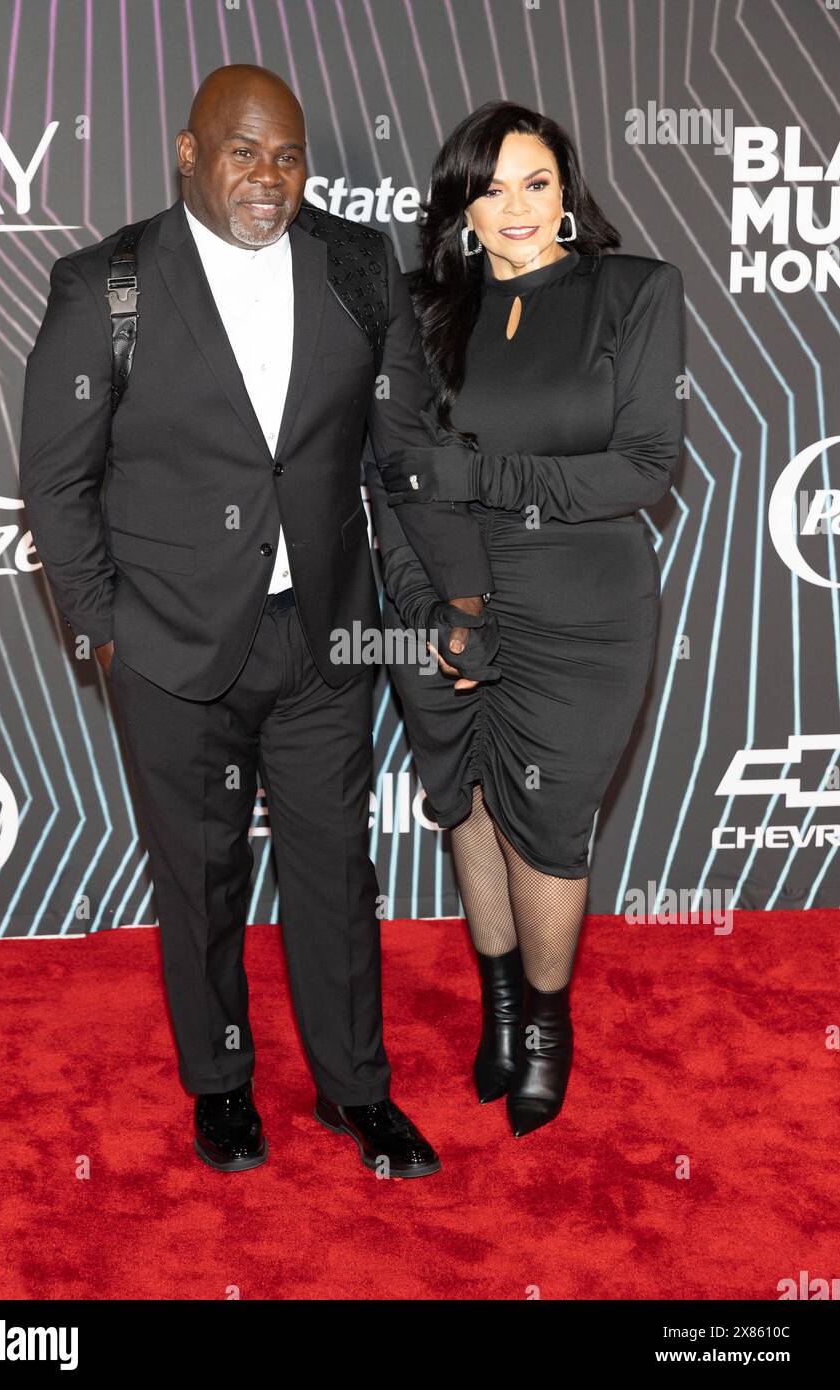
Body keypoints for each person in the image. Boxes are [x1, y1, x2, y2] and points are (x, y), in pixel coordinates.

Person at [18, 64, 497, 1177]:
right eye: (243, 151)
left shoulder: (356, 264)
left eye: (287, 155)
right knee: (202, 877)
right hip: (173, 647)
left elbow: (408, 447)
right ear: (188, 154)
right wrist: (104, 634)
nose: (268, 176)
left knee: (337, 871)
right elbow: (55, 481)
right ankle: (222, 1086)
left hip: (325, 635)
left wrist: (463, 593)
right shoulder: (109, 287)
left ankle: (354, 1092)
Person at [368, 101, 687, 1137]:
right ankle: (500, 1007)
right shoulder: (423, 312)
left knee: (547, 827)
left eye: (536, 181)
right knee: (466, 804)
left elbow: (644, 469)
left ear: (568, 190)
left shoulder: (633, 291)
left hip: (582, 607)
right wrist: (431, 608)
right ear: (460, 203)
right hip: (445, 594)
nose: (515, 206)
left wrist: (484, 470)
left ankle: (547, 1028)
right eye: (489, 185)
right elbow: (393, 472)